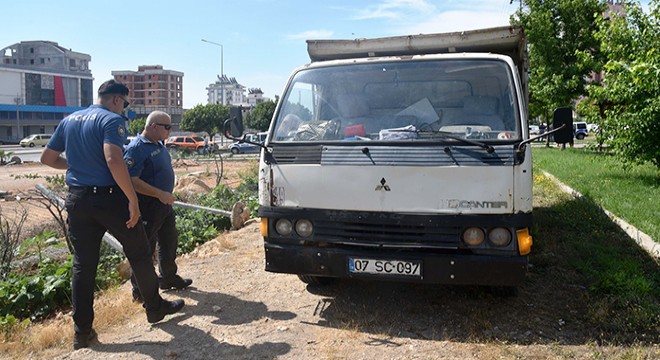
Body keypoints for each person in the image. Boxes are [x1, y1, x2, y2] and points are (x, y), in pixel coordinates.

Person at [40, 80, 185, 350]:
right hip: (108, 199)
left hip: (78, 198)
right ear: (117, 100)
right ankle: (154, 308)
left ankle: (82, 332)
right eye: (125, 104)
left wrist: (76, 166)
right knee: (140, 252)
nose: (124, 109)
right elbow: (113, 159)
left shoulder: (69, 120)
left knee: (83, 265)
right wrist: (132, 199)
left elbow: (47, 158)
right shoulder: (111, 121)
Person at [123, 111, 192, 303]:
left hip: (163, 204)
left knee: (169, 241)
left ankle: (168, 277)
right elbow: (131, 180)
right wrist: (159, 193)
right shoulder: (137, 148)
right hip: (148, 205)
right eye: (167, 127)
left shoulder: (158, 144)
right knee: (145, 249)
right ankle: (140, 292)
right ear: (153, 126)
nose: (170, 130)